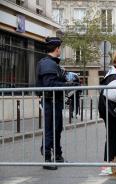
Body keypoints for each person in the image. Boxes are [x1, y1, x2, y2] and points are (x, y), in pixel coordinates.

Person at [36, 37, 79, 170]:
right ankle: (47, 158)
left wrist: (68, 80)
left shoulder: (51, 63)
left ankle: (58, 155)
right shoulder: (48, 64)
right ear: (56, 49)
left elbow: (56, 79)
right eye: (60, 48)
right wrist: (67, 84)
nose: (60, 50)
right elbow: (50, 84)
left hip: (55, 101)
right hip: (50, 101)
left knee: (56, 128)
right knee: (51, 129)